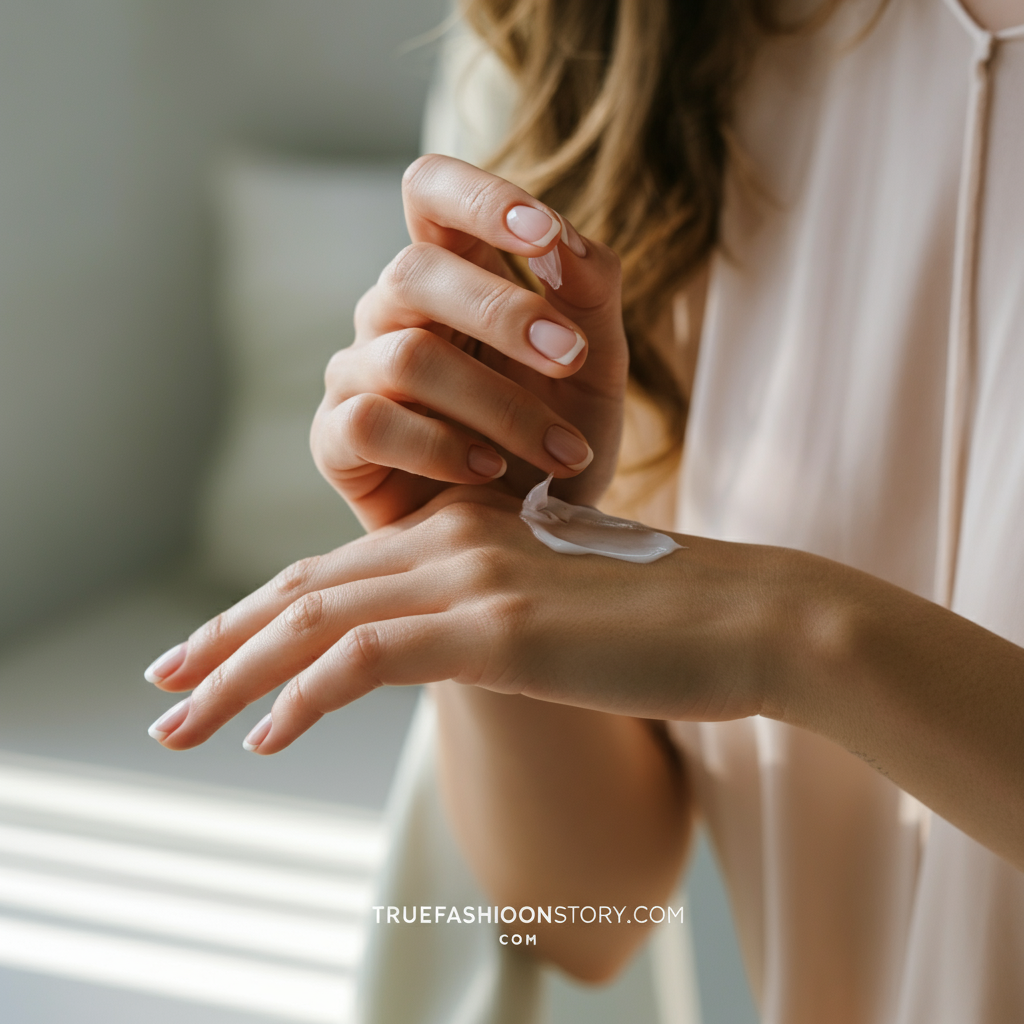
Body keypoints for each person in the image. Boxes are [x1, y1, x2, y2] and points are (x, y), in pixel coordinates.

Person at [143, 0, 1024, 1019]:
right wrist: (480, 553)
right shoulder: (595, 43)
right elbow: (584, 918)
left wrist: (805, 637)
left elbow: (786, 633)